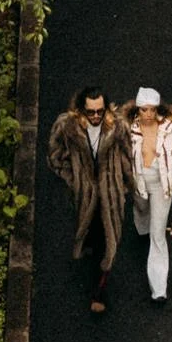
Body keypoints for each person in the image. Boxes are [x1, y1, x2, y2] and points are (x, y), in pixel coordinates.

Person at [46, 85, 133, 314]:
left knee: (109, 239)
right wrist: (73, 179)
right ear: (81, 109)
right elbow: (54, 156)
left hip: (110, 194)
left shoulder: (118, 127)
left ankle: (99, 292)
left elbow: (128, 157)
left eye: (100, 111)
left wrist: (124, 187)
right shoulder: (67, 126)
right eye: (91, 111)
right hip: (84, 195)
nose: (96, 116)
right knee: (89, 232)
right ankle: (89, 249)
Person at [127, 87, 172, 304]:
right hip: (138, 185)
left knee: (158, 235)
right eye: (144, 109)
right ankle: (141, 227)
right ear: (137, 109)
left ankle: (159, 288)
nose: (148, 114)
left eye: (152, 110)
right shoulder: (127, 130)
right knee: (141, 210)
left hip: (162, 186)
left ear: (157, 109)